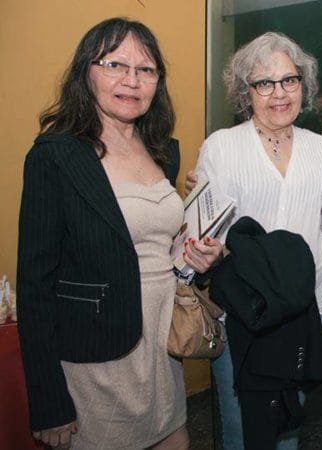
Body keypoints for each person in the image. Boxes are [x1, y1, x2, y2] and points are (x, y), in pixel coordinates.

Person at [17, 17, 221, 450]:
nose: (132, 80)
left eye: (146, 70)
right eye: (115, 65)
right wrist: (48, 400)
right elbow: (34, 288)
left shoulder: (163, 151)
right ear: (85, 73)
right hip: (97, 362)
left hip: (161, 351)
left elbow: (156, 251)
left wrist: (194, 261)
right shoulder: (55, 157)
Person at [188, 31, 322, 450]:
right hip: (243, 316)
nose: (278, 93)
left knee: (289, 425)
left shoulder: (321, 149)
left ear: (303, 85)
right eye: (264, 83)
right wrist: (203, 251)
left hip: (306, 312)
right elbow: (201, 230)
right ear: (245, 91)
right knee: (244, 433)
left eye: (289, 80)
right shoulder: (222, 147)